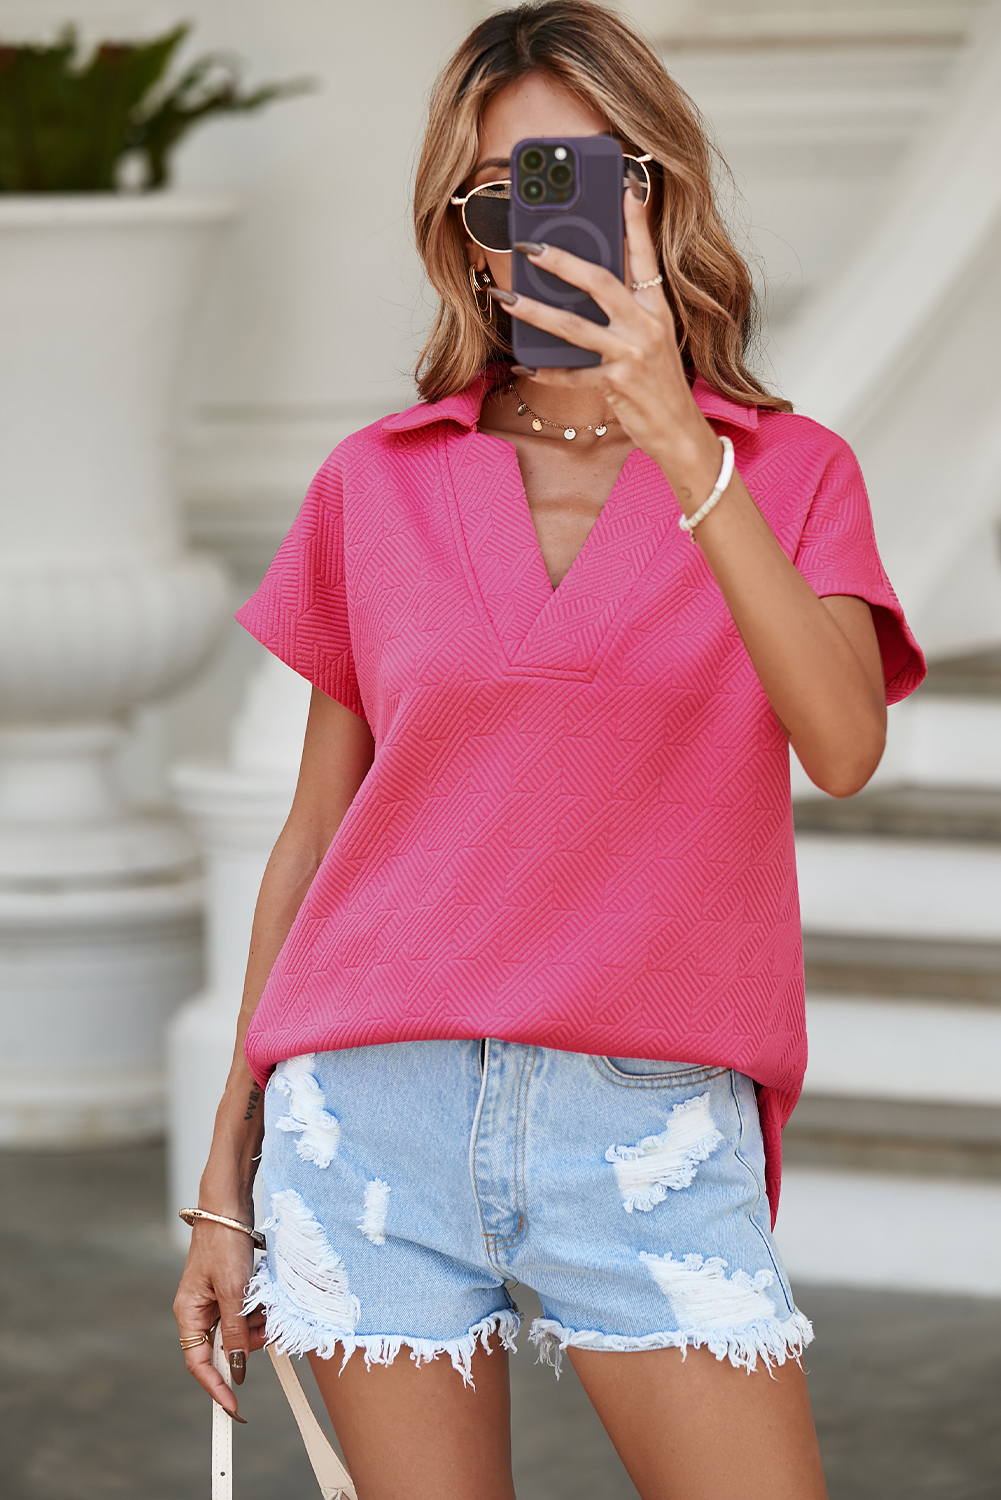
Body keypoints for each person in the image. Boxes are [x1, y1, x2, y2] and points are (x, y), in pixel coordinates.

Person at [173, 4, 925, 1496]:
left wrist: (677, 439)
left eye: (583, 174)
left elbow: (840, 743)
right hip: (369, 1107)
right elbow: (318, 838)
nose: (548, 224)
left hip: (645, 1125)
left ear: (654, 189)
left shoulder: (789, 473)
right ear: (465, 235)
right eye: (501, 192)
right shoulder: (374, 484)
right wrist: (224, 1181)